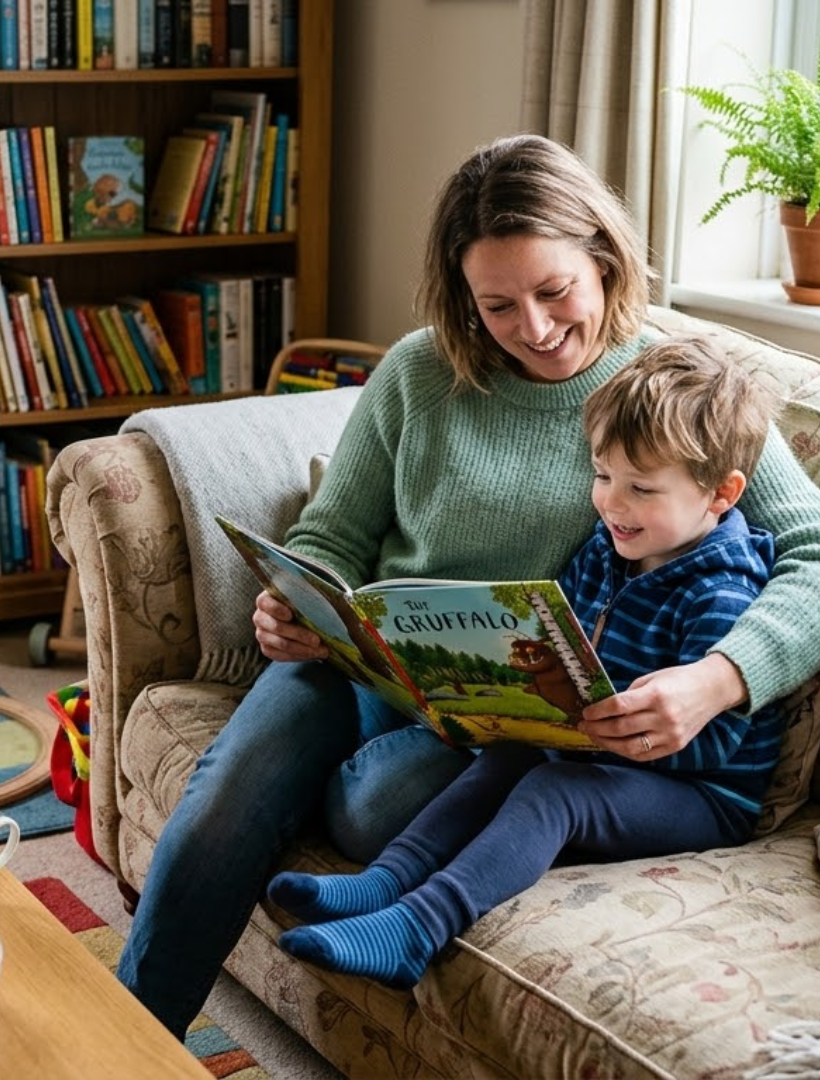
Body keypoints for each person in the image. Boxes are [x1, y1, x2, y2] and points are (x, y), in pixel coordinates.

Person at [115, 133, 820, 1037]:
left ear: (604, 258)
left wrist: (718, 680)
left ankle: (364, 857)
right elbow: (334, 533)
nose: (535, 328)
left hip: (500, 721)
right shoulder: (419, 371)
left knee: (372, 811)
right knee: (225, 799)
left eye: (555, 291)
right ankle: (127, 1040)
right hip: (360, 666)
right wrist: (296, 604)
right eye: (498, 305)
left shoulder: (669, 394)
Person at [266, 335, 782, 988]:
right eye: (603, 476)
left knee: (555, 790)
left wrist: (603, 734)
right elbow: (569, 642)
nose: (613, 503)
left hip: (701, 795)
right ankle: (385, 881)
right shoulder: (609, 546)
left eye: (642, 488)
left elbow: (712, 747)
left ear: (721, 494)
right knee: (507, 755)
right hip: (597, 750)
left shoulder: (722, 591)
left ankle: (416, 929)